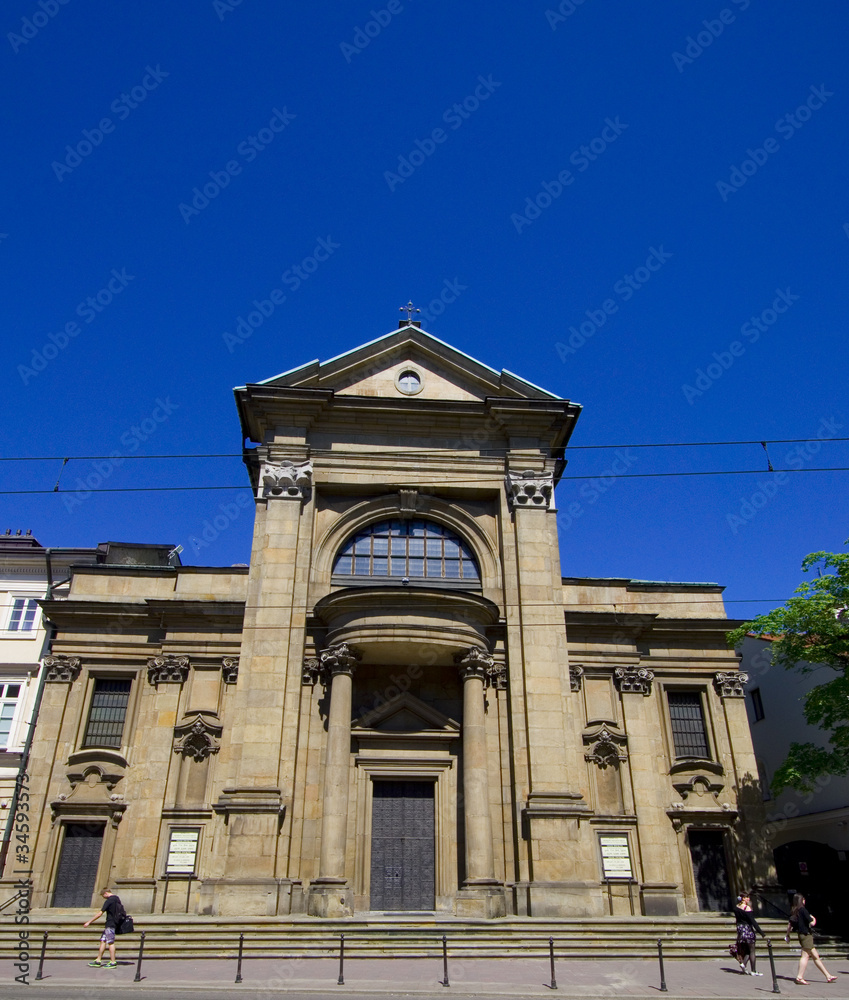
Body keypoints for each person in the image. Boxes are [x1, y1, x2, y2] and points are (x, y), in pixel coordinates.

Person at [787, 893, 837, 985]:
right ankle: (799, 977)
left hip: (801, 935)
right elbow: (812, 923)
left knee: (815, 956)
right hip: (806, 935)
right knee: (805, 956)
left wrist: (788, 935)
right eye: (803, 899)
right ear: (801, 900)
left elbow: (789, 924)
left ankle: (828, 976)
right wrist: (814, 919)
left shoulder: (795, 911)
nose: (804, 901)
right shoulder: (803, 910)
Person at [83, 887, 123, 968]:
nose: (104, 898)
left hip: (110, 924)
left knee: (110, 942)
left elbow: (100, 913)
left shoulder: (109, 901)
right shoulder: (117, 899)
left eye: (103, 896)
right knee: (103, 940)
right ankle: (98, 960)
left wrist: (89, 922)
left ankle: (113, 962)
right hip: (113, 923)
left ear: (105, 893)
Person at [734, 892, 767, 975]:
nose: (748, 899)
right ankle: (753, 970)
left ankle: (743, 965)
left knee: (748, 950)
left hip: (741, 930)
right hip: (748, 930)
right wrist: (761, 932)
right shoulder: (747, 908)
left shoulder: (737, 907)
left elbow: (737, 920)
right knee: (752, 950)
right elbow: (753, 921)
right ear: (743, 898)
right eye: (747, 897)